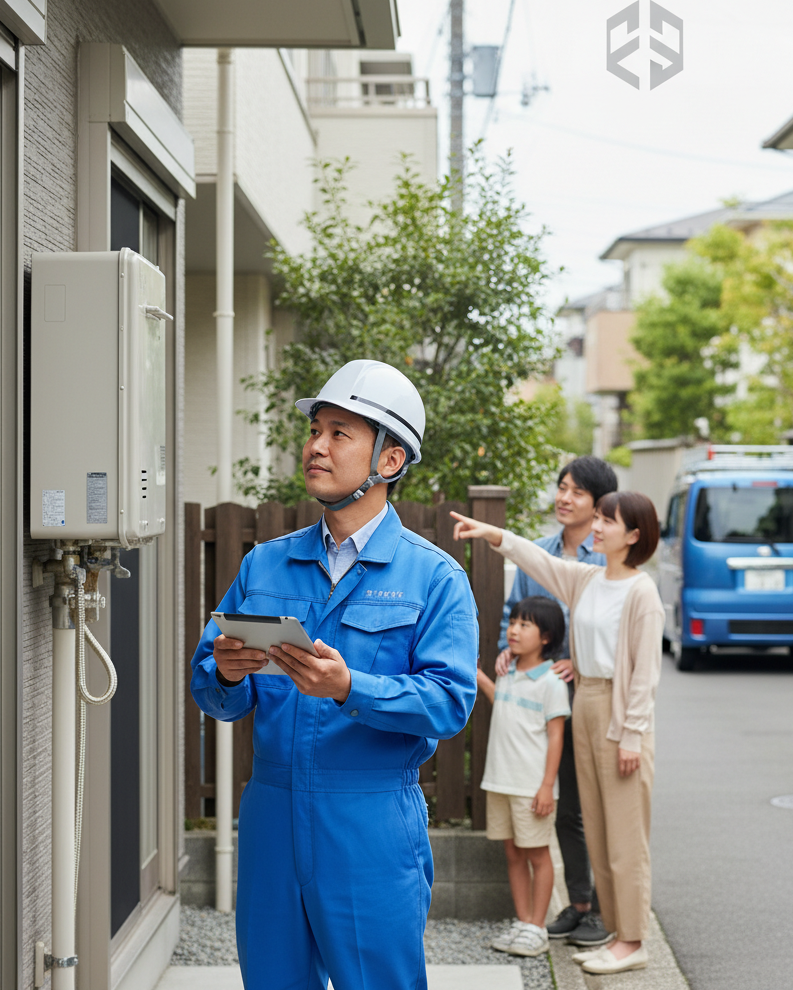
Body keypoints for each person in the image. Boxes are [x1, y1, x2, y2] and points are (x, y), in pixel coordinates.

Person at [191, 360, 478, 990]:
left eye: (340, 433)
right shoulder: (265, 565)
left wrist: (351, 688)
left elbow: (450, 703)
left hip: (370, 820)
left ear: (391, 461)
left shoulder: (434, 578)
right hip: (270, 812)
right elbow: (208, 684)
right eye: (316, 428)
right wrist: (230, 674)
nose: (316, 445)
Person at [453, 491, 664, 976]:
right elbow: (540, 562)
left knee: (625, 833)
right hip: (585, 699)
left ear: (633, 535)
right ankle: (616, 931)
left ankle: (633, 939)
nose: (598, 526)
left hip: (619, 709)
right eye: (601, 518)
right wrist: (495, 536)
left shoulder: (642, 592)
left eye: (608, 521)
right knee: (598, 825)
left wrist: (632, 734)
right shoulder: (589, 579)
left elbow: (646, 673)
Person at [495, 456, 617, 948]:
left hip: (587, 694)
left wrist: (578, 663)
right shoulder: (539, 553)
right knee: (561, 807)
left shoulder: (608, 556)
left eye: (577, 492)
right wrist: (509, 648)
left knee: (592, 803)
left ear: (598, 504)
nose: (564, 498)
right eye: (561, 488)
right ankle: (581, 903)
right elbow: (515, 611)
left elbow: (611, 630)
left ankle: (608, 910)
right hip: (538, 694)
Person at [476, 597, 571, 958]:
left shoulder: (552, 681)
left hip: (532, 786)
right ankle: (522, 920)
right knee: (513, 853)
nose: (513, 630)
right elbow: (501, 701)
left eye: (524, 625)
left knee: (537, 854)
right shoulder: (510, 671)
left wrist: (547, 786)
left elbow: (557, 736)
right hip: (500, 780)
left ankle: (537, 927)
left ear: (546, 637)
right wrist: (480, 676)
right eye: (512, 622)